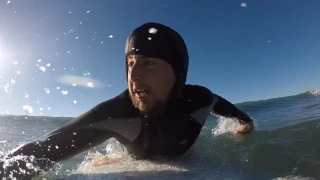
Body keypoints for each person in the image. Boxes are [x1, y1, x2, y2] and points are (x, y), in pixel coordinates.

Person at [0, 22, 254, 179]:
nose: (133, 76)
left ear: (177, 72)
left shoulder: (200, 99)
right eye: (130, 64)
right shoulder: (117, 113)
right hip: (139, 161)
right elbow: (41, 149)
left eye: (148, 63)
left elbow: (225, 107)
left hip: (185, 159)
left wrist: (245, 123)